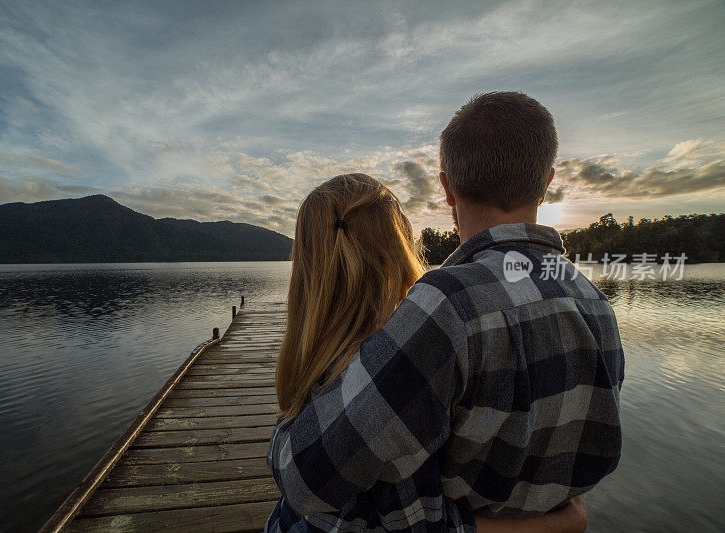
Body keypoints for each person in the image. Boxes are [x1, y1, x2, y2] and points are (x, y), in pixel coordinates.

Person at [267, 92, 625, 532]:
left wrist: (286, 426)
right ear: (547, 180)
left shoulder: (448, 304)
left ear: (447, 187)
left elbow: (305, 480)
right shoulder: (595, 304)